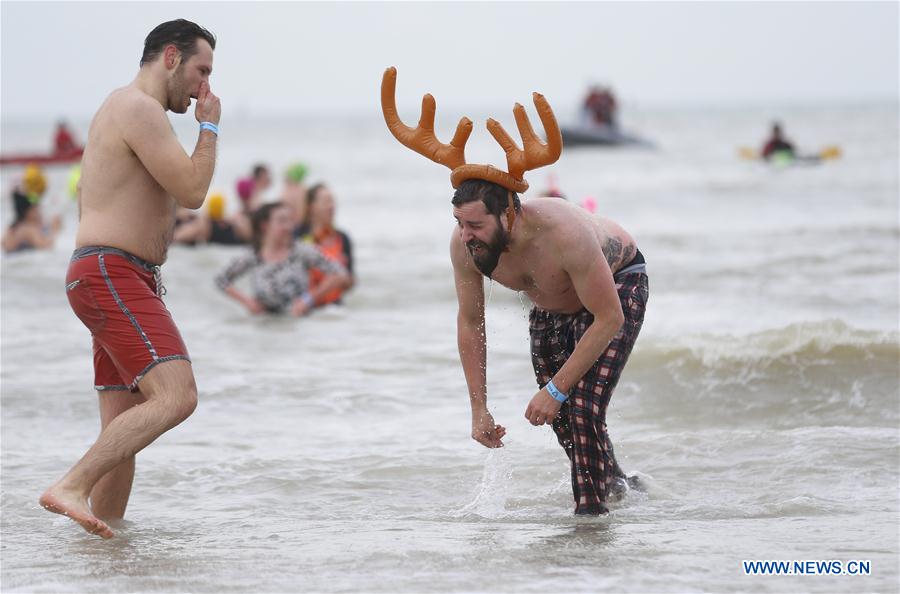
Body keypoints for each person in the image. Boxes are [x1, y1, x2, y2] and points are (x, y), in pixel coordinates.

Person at [381, 66, 648, 515]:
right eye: (459, 224)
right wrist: (478, 409)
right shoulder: (464, 244)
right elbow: (470, 322)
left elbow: (610, 318)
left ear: (509, 214)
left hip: (617, 288)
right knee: (563, 419)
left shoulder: (564, 233)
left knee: (575, 407)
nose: (466, 235)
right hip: (551, 302)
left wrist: (557, 389)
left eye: (476, 225)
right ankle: (619, 485)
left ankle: (590, 520)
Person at [39, 19, 220, 539]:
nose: (204, 86)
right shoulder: (137, 107)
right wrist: (209, 127)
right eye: (200, 70)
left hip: (111, 274)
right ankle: (71, 485)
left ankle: (104, 545)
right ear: (170, 57)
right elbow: (191, 191)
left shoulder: (124, 109)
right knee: (177, 396)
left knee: (124, 426)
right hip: (110, 272)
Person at [215, 202, 351, 315]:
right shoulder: (254, 256)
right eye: (281, 221)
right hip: (263, 326)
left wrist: (309, 299)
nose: (288, 227)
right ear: (265, 226)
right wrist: (248, 302)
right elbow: (221, 279)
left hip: (298, 325)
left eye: (290, 221)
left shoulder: (301, 251)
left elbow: (340, 273)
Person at [294, 183, 354, 305]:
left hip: (333, 310)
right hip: (302, 309)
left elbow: (350, 281)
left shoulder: (343, 238)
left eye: (333, 202)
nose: (331, 206)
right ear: (312, 207)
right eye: (326, 202)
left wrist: (341, 279)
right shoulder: (296, 236)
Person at [2, 164, 62, 253]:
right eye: (36, 209)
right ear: (27, 212)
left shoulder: (12, 228)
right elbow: (46, 246)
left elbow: (5, 245)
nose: (39, 211)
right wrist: (54, 230)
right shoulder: (28, 229)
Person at [280, 162, 309, 228]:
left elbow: (300, 213)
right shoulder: (299, 189)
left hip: (296, 226)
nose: (284, 178)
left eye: (287, 176)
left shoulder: (299, 190)